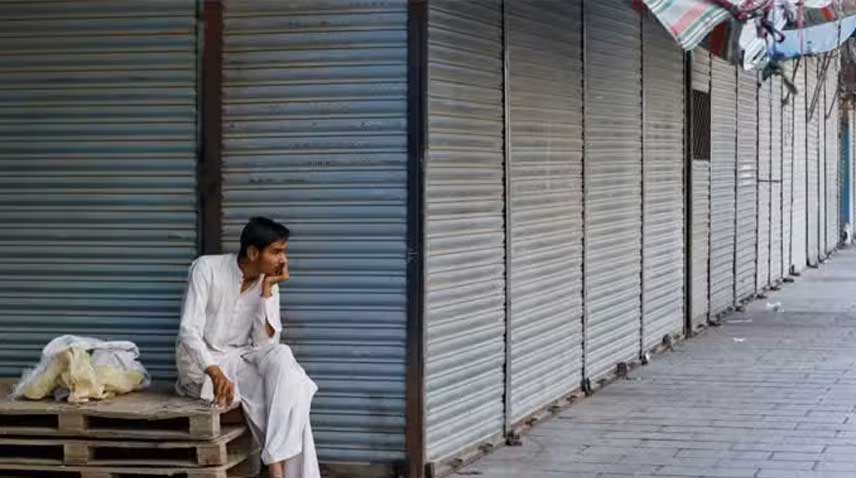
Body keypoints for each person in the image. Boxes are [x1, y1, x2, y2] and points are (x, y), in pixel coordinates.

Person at [175, 217, 319, 478]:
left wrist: (267, 291)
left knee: (286, 366)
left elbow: (266, 346)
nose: (282, 260)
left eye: (283, 252)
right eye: (276, 252)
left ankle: (275, 463)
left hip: (239, 361)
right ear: (253, 252)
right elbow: (188, 330)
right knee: (289, 399)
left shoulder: (269, 281)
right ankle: (277, 467)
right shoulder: (206, 268)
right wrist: (215, 371)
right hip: (202, 366)